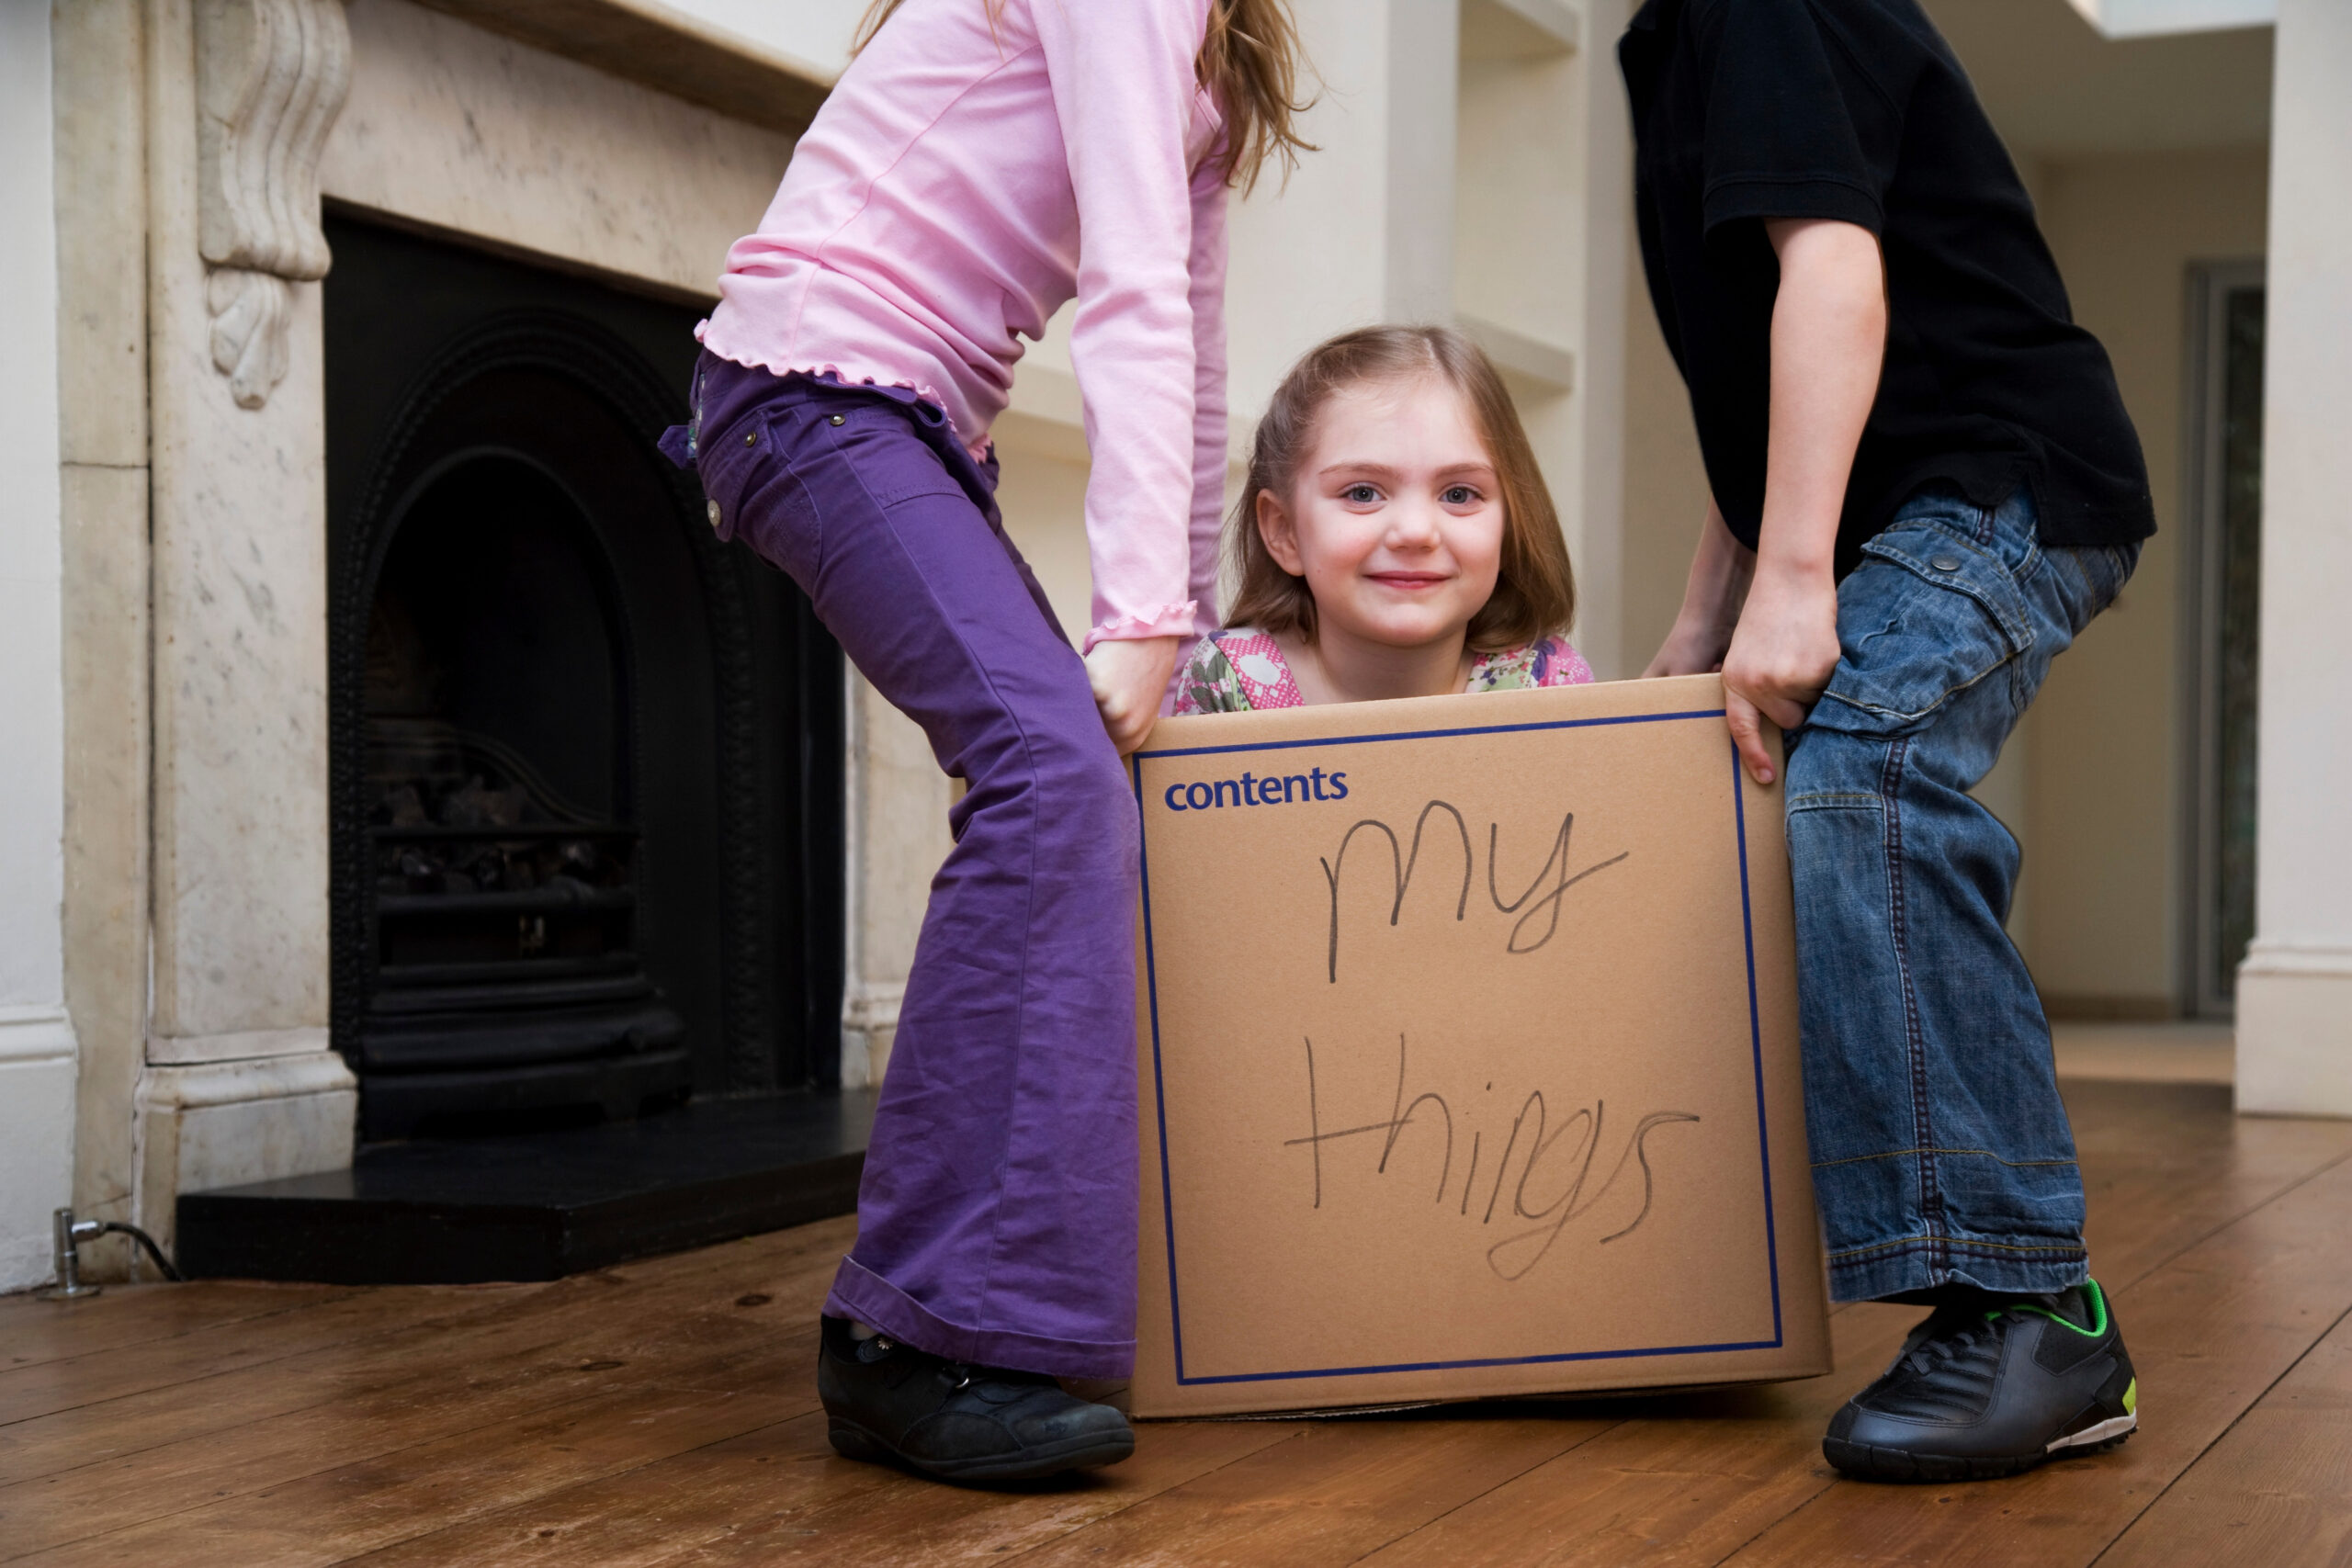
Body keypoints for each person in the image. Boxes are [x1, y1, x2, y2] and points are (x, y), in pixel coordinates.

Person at [677, 0, 1309, 1483]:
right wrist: (1138, 604)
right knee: (1049, 773)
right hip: (810, 392)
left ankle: (961, 1314)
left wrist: (1189, 630)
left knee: (1072, 781)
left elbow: (1196, 339)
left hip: (895, 422)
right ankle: (916, 1332)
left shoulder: (1216, 55)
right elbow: (1131, 288)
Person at [1621, 0, 2146, 1481]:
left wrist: (1796, 582)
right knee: (1789, 765)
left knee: (1869, 763)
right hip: (1896, 501)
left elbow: (1837, 279)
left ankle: (2034, 1302)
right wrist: (1701, 615)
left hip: (2003, 479)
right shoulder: (1665, 43)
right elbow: (1755, 377)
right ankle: (1992, 1296)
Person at [1174, 326, 1590, 716]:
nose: (1415, 532)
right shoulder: (1229, 681)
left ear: (1508, 528)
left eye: (1458, 495)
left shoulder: (1547, 686)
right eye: (1362, 493)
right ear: (1284, 532)